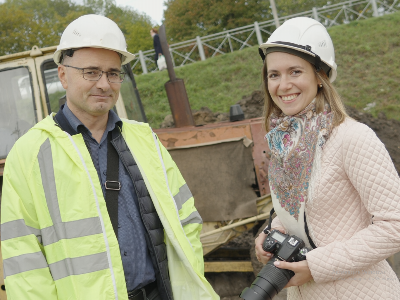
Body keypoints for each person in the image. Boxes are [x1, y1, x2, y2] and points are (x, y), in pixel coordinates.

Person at [1, 14, 218, 300]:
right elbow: (23, 260)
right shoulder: (30, 153)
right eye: (91, 72)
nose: (104, 84)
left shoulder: (144, 140)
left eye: (113, 73)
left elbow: (186, 221)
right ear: (63, 75)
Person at [254, 17, 400, 299]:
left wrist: (316, 266)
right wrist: (272, 231)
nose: (283, 85)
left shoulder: (352, 138)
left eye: (295, 71)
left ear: (319, 76)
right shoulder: (284, 144)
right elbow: (298, 211)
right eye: (274, 75)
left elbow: (395, 225)